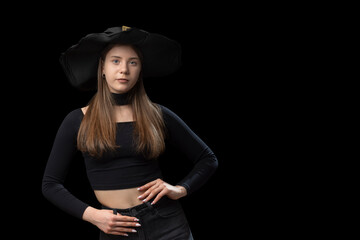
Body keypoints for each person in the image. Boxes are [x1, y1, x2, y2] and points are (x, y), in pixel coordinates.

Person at [42, 26, 218, 240]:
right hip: (116, 228)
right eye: (116, 61)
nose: (124, 69)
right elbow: (50, 184)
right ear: (102, 67)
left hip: (167, 223)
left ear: (139, 69)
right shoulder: (77, 120)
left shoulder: (157, 114)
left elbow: (208, 159)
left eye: (132, 62)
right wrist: (93, 216)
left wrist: (181, 189)